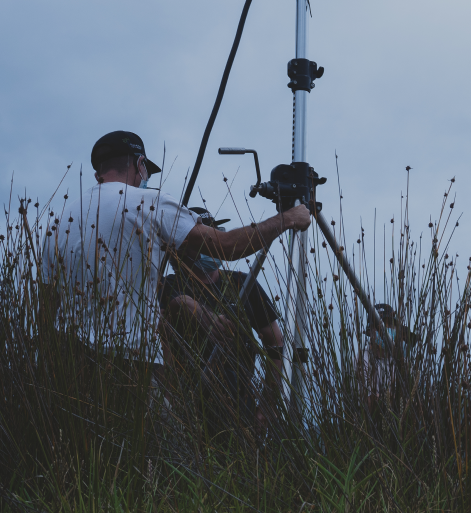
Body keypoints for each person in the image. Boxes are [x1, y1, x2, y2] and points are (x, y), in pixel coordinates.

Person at [38, 131, 312, 449]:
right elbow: (225, 245)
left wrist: (49, 365)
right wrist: (287, 218)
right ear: (140, 164)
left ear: (99, 171)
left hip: (70, 365)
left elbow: (46, 304)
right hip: (131, 362)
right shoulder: (146, 202)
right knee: (166, 464)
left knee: (88, 458)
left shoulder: (62, 221)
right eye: (146, 171)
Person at [159, 212, 287, 439]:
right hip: (187, 406)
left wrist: (268, 404)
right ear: (181, 246)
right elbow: (169, 310)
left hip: (241, 404)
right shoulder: (168, 285)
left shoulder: (243, 283)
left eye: (216, 235)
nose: (213, 243)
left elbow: (275, 342)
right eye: (205, 237)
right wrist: (190, 306)